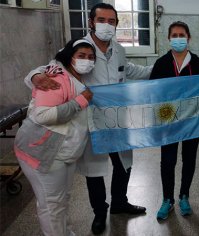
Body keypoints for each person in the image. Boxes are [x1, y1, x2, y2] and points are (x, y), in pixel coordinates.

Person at [24, 3, 153, 235]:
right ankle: (99, 212)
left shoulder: (118, 49)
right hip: (90, 121)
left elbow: (131, 70)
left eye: (112, 21)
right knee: (95, 170)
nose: (107, 25)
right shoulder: (80, 48)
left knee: (124, 164)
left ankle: (120, 203)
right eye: (102, 20)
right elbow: (52, 67)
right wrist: (35, 75)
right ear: (91, 22)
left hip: (118, 119)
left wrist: (161, 68)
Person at [14, 39, 95, 236]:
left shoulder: (79, 77)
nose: (87, 61)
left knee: (62, 199)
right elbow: (42, 116)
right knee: (52, 205)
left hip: (65, 152)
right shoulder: (57, 78)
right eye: (81, 56)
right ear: (70, 57)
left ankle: (65, 232)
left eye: (91, 57)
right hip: (44, 151)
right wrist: (80, 102)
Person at [149, 21, 199, 220]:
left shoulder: (197, 62)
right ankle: (167, 200)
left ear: (188, 38)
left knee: (189, 159)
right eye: (175, 35)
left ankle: (184, 196)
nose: (179, 38)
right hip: (168, 122)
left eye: (182, 35)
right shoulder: (162, 63)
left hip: (191, 122)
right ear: (169, 38)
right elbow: (153, 92)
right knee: (168, 161)